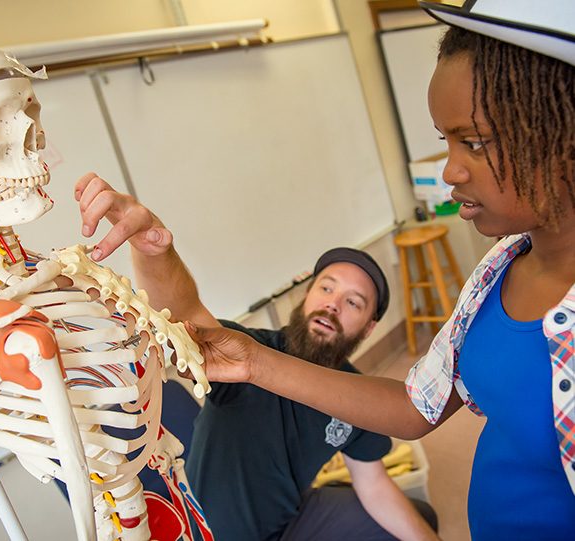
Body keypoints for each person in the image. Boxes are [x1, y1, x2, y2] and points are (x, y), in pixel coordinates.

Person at [161, 1, 575, 539]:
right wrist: (257, 363)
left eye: (472, 142)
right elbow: (416, 405)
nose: (450, 168)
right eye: (444, 140)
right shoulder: (498, 269)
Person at [75, 176, 440, 541]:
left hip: (290, 521)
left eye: (353, 302)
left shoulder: (361, 397)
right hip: (214, 532)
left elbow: (373, 484)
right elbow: (181, 310)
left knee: (420, 518)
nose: (333, 304)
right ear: (307, 295)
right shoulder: (245, 349)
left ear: (369, 328)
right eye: (327, 287)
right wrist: (154, 249)